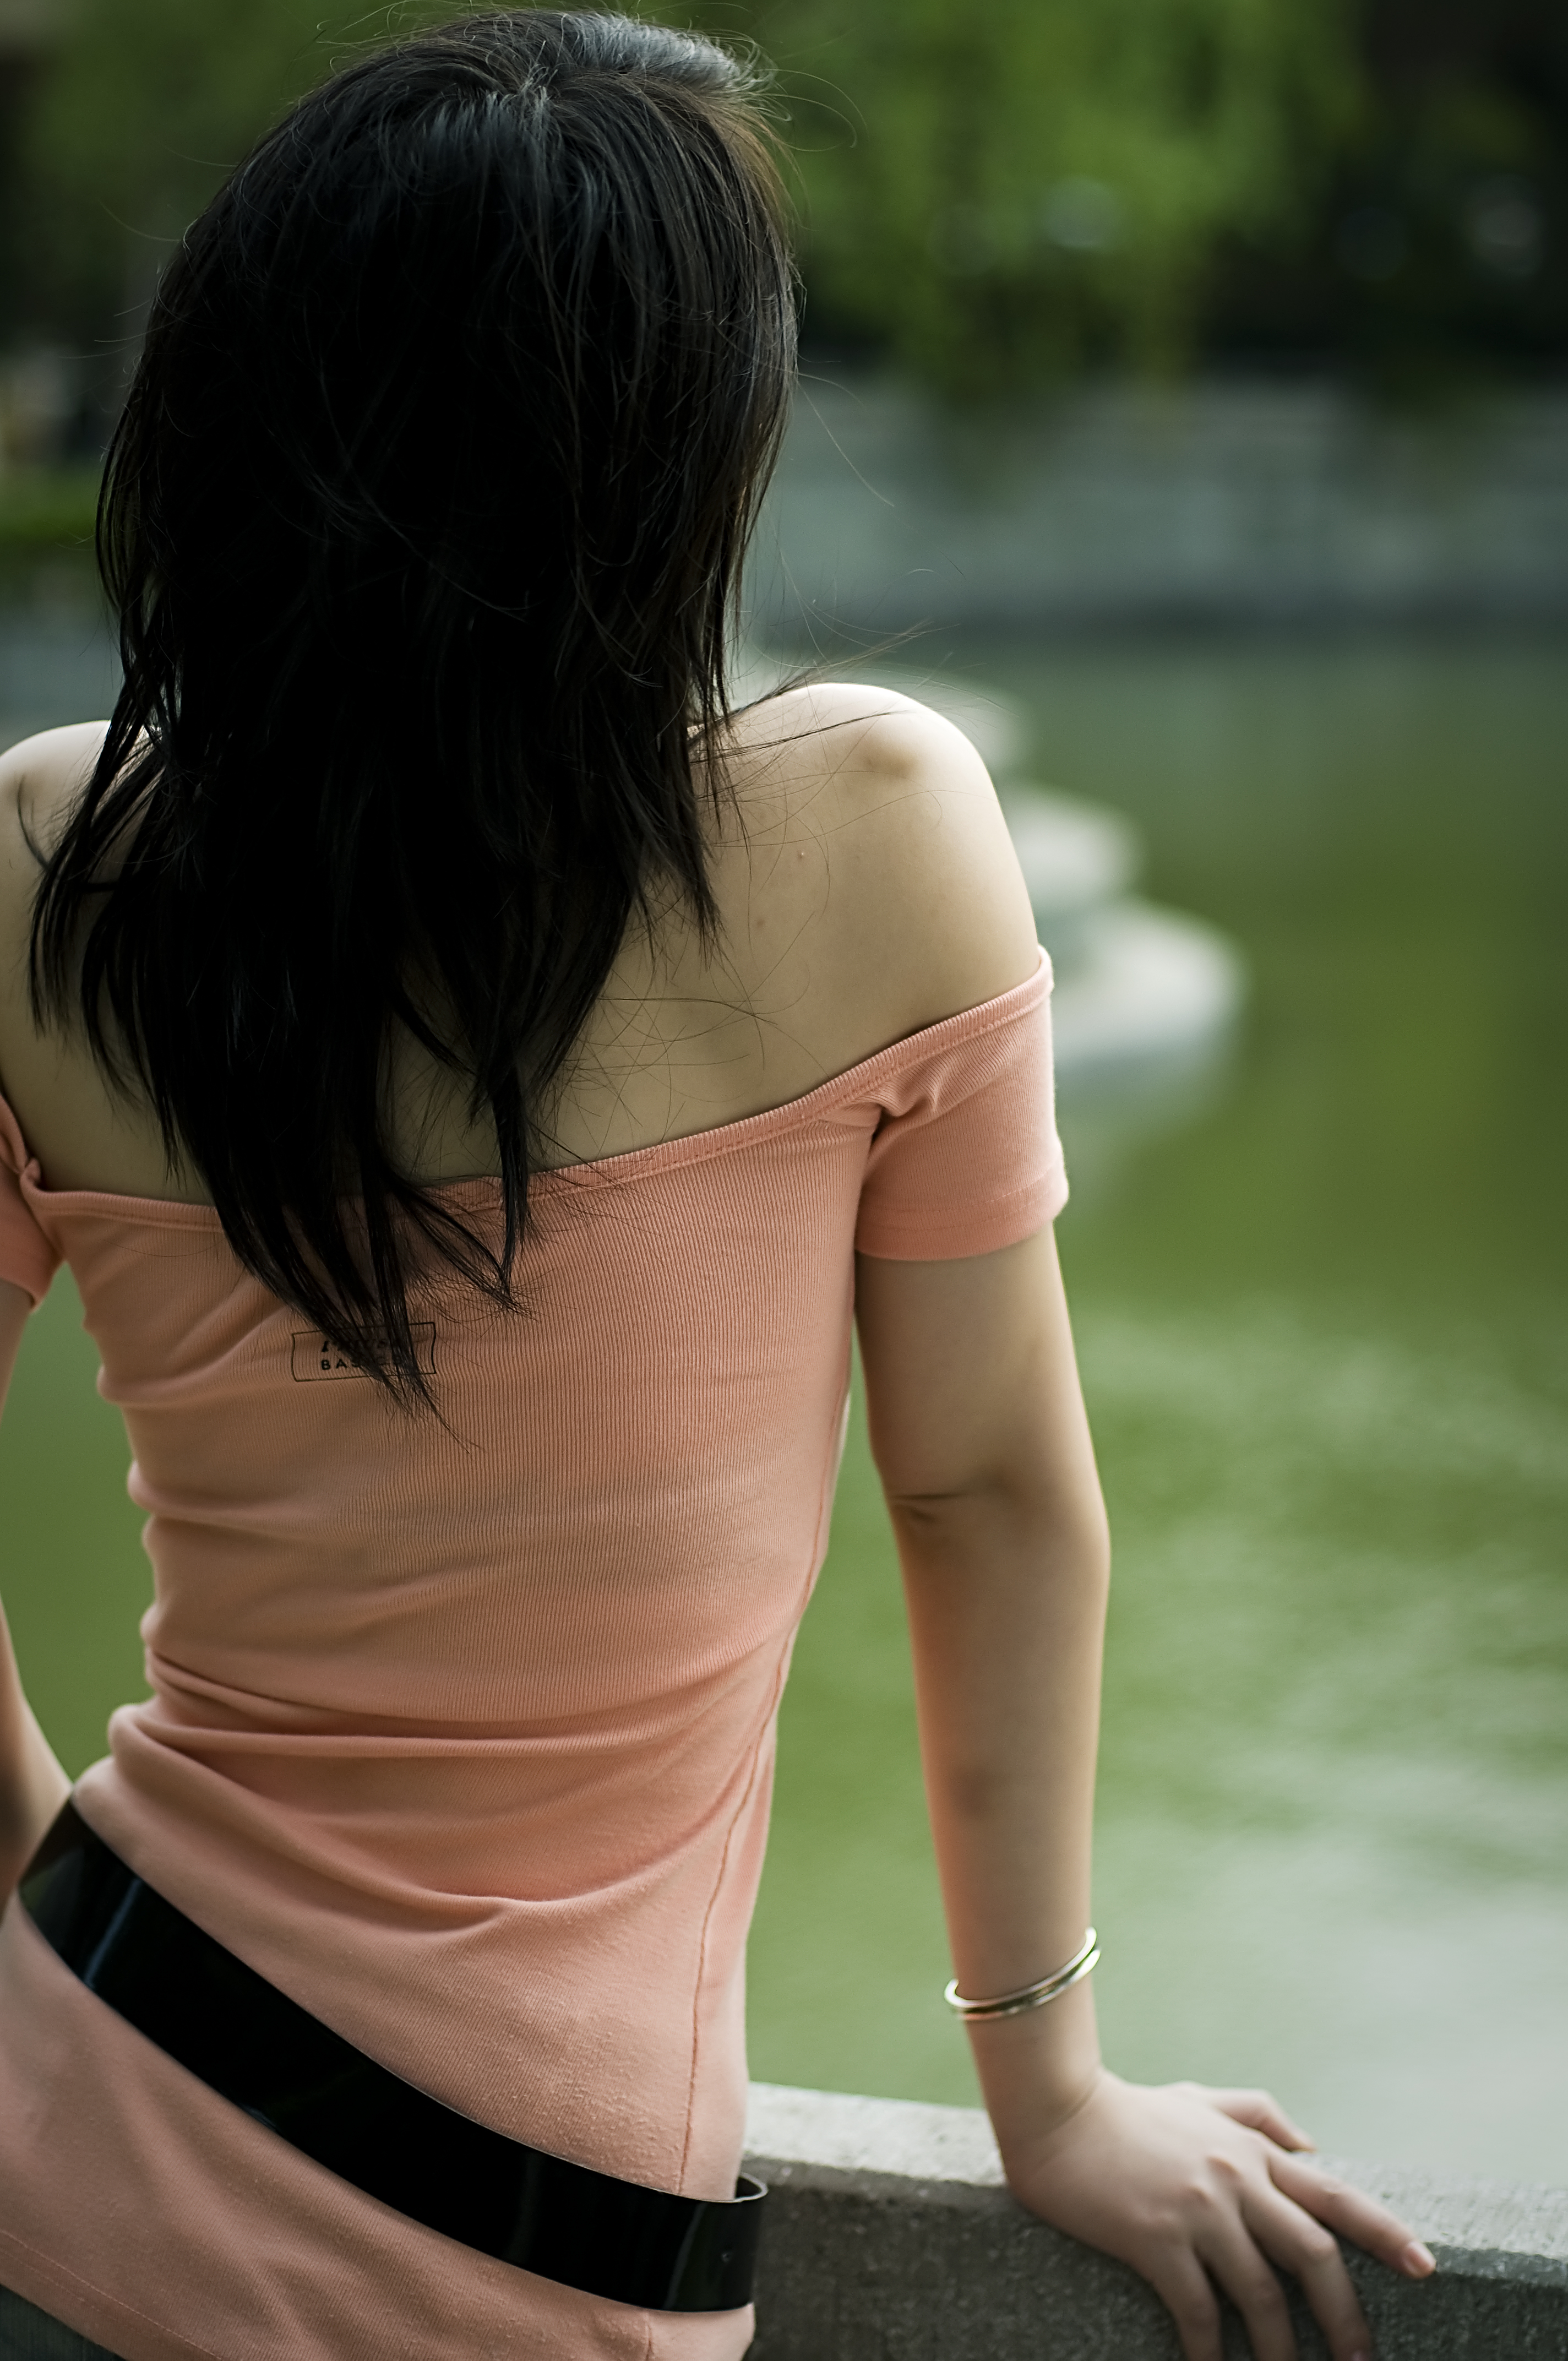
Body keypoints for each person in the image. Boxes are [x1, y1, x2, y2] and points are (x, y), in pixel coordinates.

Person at [0, 12, 1435, 2360]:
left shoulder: (54, 857)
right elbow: (982, 1491)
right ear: (667, 460)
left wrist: (44, 1901)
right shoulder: (868, 825)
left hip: (60, 2109)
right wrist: (1046, 2089)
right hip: (532, 2270)